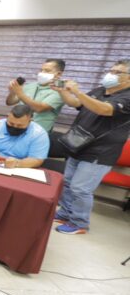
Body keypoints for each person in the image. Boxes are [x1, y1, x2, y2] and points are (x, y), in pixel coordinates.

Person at [51, 60, 130, 235]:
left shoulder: (127, 97)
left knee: (81, 189)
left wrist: (78, 91)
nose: (111, 74)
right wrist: (63, 91)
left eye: (117, 72)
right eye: (111, 70)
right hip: (78, 144)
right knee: (68, 183)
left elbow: (104, 110)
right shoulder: (100, 90)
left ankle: (79, 223)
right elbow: (76, 104)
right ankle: (65, 213)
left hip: (100, 152)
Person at [0, 104, 49, 168]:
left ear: (30, 121)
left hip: (20, 168)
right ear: (8, 116)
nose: (15, 127)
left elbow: (37, 160)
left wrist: (18, 163)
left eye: (20, 125)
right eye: (11, 123)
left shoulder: (39, 134)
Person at [6, 59, 65, 132]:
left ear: (59, 74)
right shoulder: (30, 86)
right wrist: (12, 92)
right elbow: (10, 102)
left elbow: (39, 108)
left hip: (38, 132)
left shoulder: (61, 91)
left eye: (47, 71)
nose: (42, 73)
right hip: (17, 127)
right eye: (41, 70)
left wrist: (19, 93)